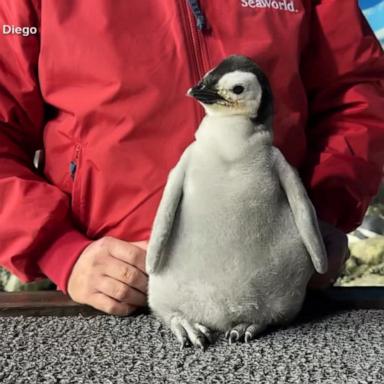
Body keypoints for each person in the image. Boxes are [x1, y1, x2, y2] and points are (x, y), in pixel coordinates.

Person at [0, 0, 383, 316]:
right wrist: (61, 250)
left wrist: (324, 210)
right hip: (112, 294)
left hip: (275, 288)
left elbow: (355, 95)